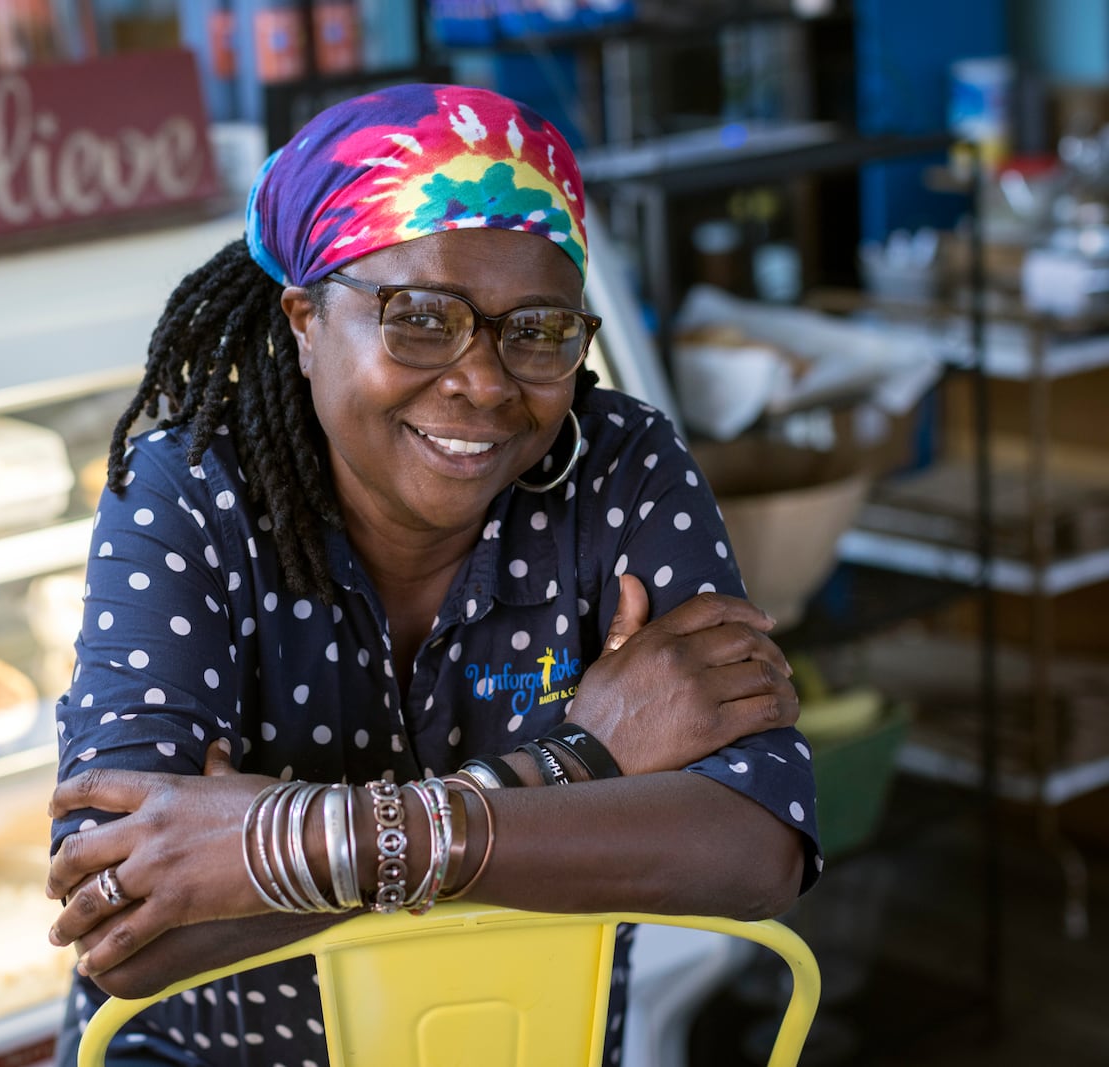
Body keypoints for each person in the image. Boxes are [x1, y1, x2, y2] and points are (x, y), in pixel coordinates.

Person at [45, 83, 819, 1067]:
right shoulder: (189, 494)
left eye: (536, 329)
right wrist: (576, 766)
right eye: (418, 318)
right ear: (305, 318)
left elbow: (756, 847)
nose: (485, 381)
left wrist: (282, 845)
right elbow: (129, 929)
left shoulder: (619, 468)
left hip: (521, 1039)